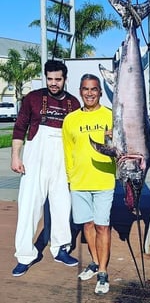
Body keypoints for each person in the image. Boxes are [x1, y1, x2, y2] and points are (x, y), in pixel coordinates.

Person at [11, 59, 80, 277]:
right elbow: (20, 127)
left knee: (62, 205)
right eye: (49, 79)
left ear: (65, 79)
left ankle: (60, 248)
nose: (53, 83)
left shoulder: (73, 103)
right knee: (29, 206)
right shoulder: (32, 98)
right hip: (35, 158)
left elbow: (78, 136)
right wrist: (15, 156)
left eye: (57, 79)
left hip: (62, 160)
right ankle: (24, 255)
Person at [62, 74, 116, 295]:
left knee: (102, 226)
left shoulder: (112, 116)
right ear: (80, 91)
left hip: (104, 180)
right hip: (79, 182)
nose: (90, 93)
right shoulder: (71, 119)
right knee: (87, 226)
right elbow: (68, 152)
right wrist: (70, 178)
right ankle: (94, 262)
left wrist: (113, 138)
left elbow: (121, 148)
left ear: (100, 92)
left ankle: (103, 272)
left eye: (94, 89)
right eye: (85, 89)